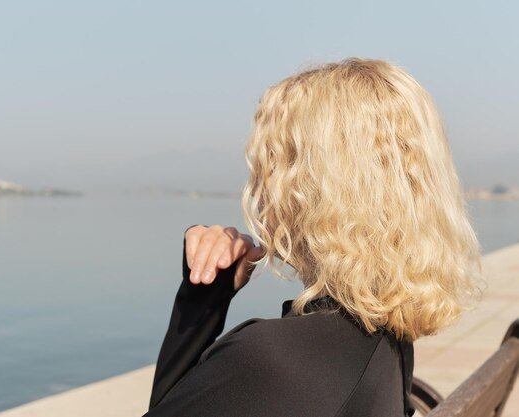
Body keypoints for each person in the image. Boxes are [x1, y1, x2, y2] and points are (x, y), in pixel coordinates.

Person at [144, 58, 483, 417]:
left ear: (311, 189)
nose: (258, 190)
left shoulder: (269, 361)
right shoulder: (388, 335)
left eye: (271, 166)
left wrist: (200, 302)